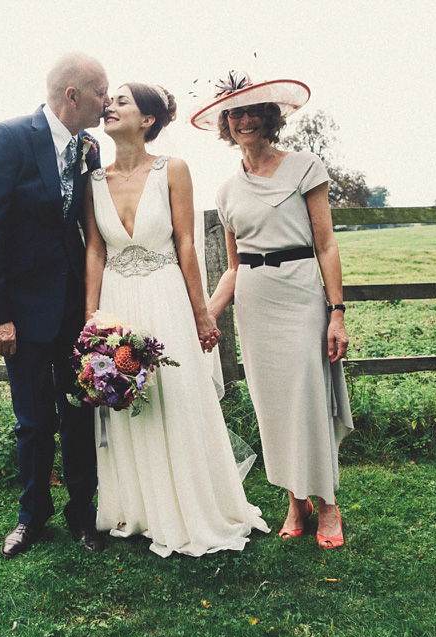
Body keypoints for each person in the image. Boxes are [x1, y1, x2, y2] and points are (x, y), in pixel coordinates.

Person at [82, 82, 269, 557]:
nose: (109, 106)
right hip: (116, 300)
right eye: (110, 101)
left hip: (166, 294)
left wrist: (201, 314)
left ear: (147, 120)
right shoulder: (94, 182)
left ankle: (190, 508)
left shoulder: (173, 170)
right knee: (126, 398)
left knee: (176, 394)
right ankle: (142, 507)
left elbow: (186, 244)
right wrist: (91, 319)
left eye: (121, 101)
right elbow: (95, 250)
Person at [193, 72, 354, 549]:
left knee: (307, 398)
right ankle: (294, 501)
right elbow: (234, 266)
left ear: (269, 117)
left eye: (252, 111)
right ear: (226, 123)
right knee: (273, 405)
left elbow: (325, 245)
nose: (243, 120)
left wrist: (337, 312)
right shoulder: (226, 191)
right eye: (234, 113)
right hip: (256, 302)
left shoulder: (306, 166)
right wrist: (206, 315)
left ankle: (327, 504)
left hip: (301, 292)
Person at [0, 52, 111, 558]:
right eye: (100, 92)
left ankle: (83, 517)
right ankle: (32, 517)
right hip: (23, 314)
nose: (107, 101)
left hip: (76, 310)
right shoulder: (9, 138)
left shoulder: (89, 148)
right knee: (32, 421)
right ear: (72, 95)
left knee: (80, 414)